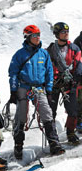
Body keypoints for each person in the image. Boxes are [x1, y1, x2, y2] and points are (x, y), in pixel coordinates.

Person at [8, 25, 65, 159]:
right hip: (23, 86)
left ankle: (54, 143)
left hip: (39, 87)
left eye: (38, 34)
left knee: (47, 113)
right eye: (34, 35)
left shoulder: (43, 53)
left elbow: (49, 71)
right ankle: (18, 146)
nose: (37, 37)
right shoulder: (19, 54)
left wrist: (49, 89)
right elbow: (13, 73)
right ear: (27, 37)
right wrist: (13, 90)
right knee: (21, 117)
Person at [47, 22, 82, 144]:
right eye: (63, 32)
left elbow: (78, 64)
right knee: (51, 111)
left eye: (67, 31)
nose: (66, 34)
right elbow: (47, 67)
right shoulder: (50, 50)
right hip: (54, 84)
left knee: (73, 109)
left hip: (69, 82)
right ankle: (52, 137)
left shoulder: (74, 48)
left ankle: (71, 132)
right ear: (57, 34)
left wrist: (75, 79)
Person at [73, 32, 82, 133]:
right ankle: (79, 122)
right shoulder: (79, 41)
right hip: (80, 75)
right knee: (80, 99)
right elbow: (77, 60)